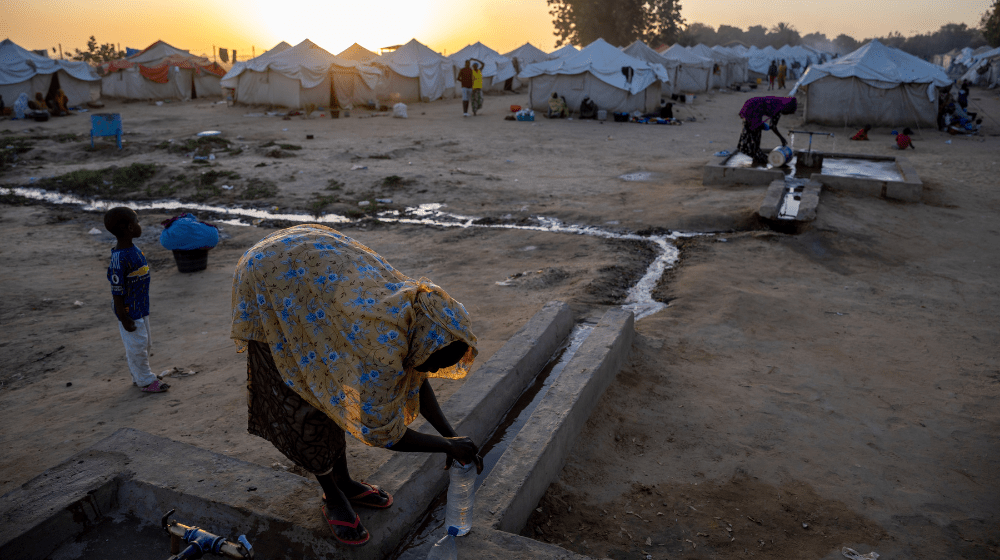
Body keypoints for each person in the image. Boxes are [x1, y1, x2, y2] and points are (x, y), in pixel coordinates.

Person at [231, 225, 484, 547]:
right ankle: (332, 493)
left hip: (312, 264)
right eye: (434, 365)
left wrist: (450, 434)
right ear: (424, 347)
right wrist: (446, 447)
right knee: (305, 403)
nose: (431, 372)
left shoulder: (425, 319)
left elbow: (415, 378)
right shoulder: (380, 351)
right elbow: (381, 432)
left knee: (334, 397)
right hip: (271, 281)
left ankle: (346, 481)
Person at [104, 207, 169, 394]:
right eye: (137, 222)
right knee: (137, 345)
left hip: (140, 306)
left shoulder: (133, 250)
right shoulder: (119, 259)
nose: (140, 226)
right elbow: (116, 291)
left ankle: (139, 375)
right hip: (128, 309)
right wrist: (124, 317)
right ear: (130, 228)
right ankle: (146, 380)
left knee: (145, 343)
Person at [736, 96, 797, 166]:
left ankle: (755, 155)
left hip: (751, 105)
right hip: (753, 109)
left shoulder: (779, 103)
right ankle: (756, 155)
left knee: (753, 132)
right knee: (754, 134)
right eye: (789, 112)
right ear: (787, 107)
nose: (787, 114)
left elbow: (771, 124)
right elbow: (773, 126)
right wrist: (781, 138)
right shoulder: (778, 107)